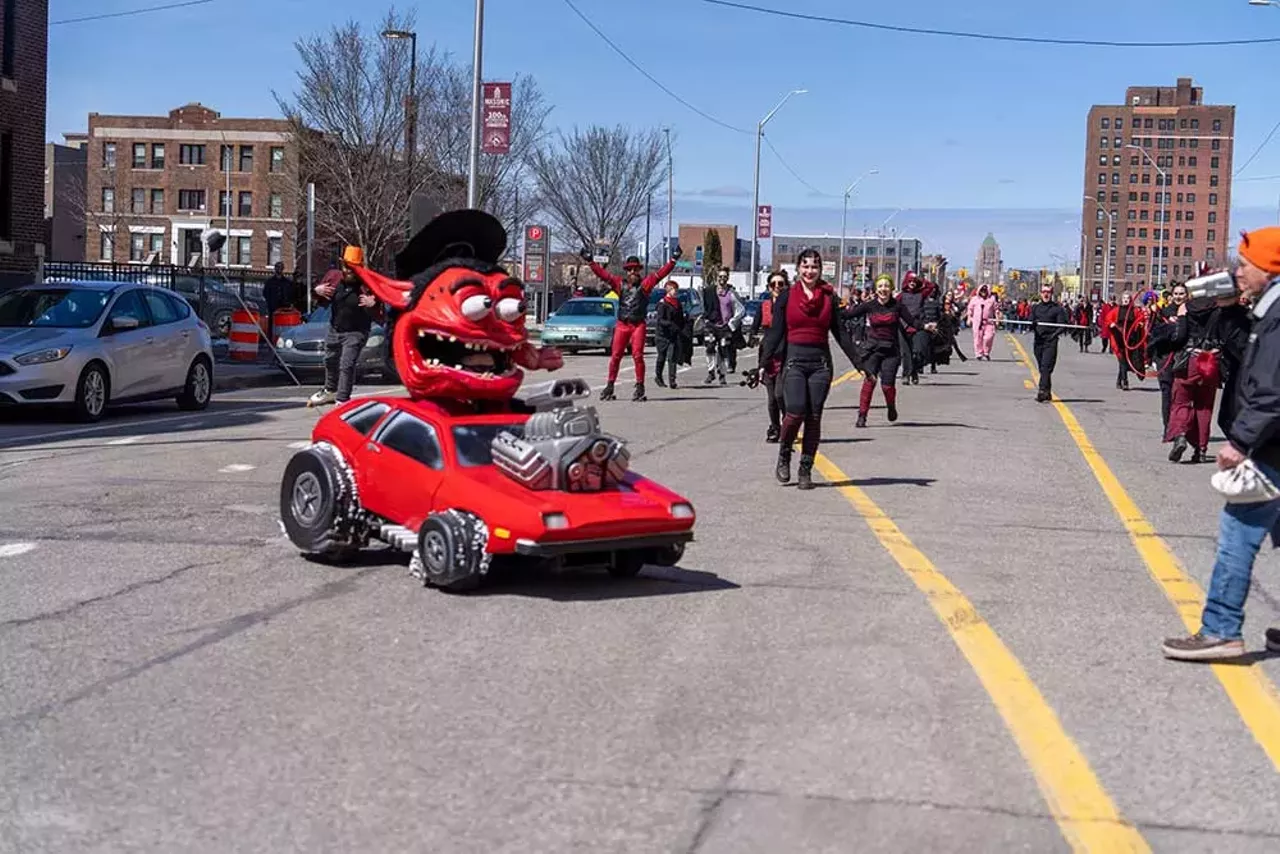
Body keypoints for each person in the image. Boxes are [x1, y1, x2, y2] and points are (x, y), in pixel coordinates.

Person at [1163, 226, 1280, 661]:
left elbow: (1272, 390)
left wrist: (1240, 441)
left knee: (1237, 534)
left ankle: (1221, 629)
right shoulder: (1268, 309)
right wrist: (1233, 310)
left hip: (1270, 447)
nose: (1239, 272)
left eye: (1246, 264)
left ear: (1270, 267)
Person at [760, 248, 861, 490]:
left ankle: (806, 468)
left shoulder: (828, 297)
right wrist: (762, 364)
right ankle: (784, 453)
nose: (810, 271)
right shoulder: (787, 297)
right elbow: (775, 334)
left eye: (814, 266)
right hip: (794, 361)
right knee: (794, 413)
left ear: (820, 269)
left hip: (820, 365)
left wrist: (860, 363)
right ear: (798, 269)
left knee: (814, 417)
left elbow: (841, 333)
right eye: (805, 266)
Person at [580, 247, 680, 401]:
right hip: (623, 324)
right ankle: (610, 385)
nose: (632, 272)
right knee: (615, 356)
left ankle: (640, 386)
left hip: (638, 324)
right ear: (626, 271)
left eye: (635, 269)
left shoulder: (645, 285)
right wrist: (590, 262)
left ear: (639, 270)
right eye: (630, 270)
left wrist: (673, 260)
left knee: (638, 355)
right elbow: (603, 274)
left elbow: (661, 274)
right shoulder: (619, 284)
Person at [844, 273, 935, 428]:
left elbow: (911, 321)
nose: (883, 289)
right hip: (872, 349)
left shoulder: (897, 306)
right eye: (880, 286)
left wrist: (926, 326)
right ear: (876, 289)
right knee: (869, 381)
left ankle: (891, 406)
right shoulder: (869, 305)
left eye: (886, 286)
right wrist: (835, 307)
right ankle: (862, 415)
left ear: (891, 288)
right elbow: (848, 314)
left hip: (891, 351)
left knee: (887, 385)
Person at [308, 246, 380, 407]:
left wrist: (373, 303)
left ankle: (342, 399)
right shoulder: (333, 278)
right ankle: (330, 390)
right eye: (347, 266)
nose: (349, 271)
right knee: (330, 360)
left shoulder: (366, 283)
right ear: (342, 265)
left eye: (353, 268)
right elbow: (320, 299)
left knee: (346, 364)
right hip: (335, 328)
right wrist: (316, 291)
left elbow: (380, 302)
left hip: (356, 331)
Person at [760, 271, 789, 442]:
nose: (777, 287)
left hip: (785, 354)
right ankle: (775, 428)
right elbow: (756, 325)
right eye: (773, 284)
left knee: (780, 395)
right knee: (772, 399)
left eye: (781, 284)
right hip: (768, 355)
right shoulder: (764, 306)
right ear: (769, 287)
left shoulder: (791, 306)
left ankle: (788, 425)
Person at [1029, 284, 1069, 402]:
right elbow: (1029, 322)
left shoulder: (1057, 309)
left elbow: (1062, 325)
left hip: (1050, 342)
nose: (1046, 294)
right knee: (1042, 368)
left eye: (1048, 292)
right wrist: (1033, 324)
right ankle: (1047, 392)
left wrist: (1053, 335)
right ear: (1041, 293)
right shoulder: (1036, 308)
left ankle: (1042, 391)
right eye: (1044, 292)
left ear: (1051, 294)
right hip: (1038, 341)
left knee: (1046, 367)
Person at [653, 280, 685, 390]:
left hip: (673, 335)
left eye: (676, 289)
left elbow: (680, 318)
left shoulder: (678, 303)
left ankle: (672, 380)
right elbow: (660, 320)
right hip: (662, 335)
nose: (675, 291)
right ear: (668, 290)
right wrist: (670, 324)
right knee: (661, 357)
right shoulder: (663, 303)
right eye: (673, 289)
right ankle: (658, 377)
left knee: (672, 358)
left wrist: (685, 323)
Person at [1110, 291, 1140, 390]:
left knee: (1125, 362)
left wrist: (1140, 324)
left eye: (1127, 298)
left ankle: (1119, 381)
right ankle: (1125, 381)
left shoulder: (1134, 310)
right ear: (1121, 300)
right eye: (1124, 298)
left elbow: (1140, 319)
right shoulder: (1116, 310)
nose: (1126, 300)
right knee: (1122, 360)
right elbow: (1108, 319)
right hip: (1119, 339)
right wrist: (1112, 324)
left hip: (1130, 339)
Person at [262, 261, 294, 341]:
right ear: (275, 269)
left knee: (284, 324)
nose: (279, 269)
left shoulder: (287, 282)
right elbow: (265, 293)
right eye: (277, 267)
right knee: (272, 323)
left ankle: (283, 339)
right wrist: (270, 302)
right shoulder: (270, 282)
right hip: (273, 307)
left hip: (284, 307)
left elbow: (291, 293)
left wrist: (288, 302)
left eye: (280, 267)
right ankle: (270, 339)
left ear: (283, 269)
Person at [966, 284, 998, 360]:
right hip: (977, 322)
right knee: (978, 338)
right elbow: (970, 309)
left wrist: (997, 319)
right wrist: (969, 318)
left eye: (985, 290)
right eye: (982, 290)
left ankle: (986, 352)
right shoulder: (974, 299)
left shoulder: (992, 299)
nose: (983, 292)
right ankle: (979, 354)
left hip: (988, 322)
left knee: (988, 337)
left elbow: (996, 310)